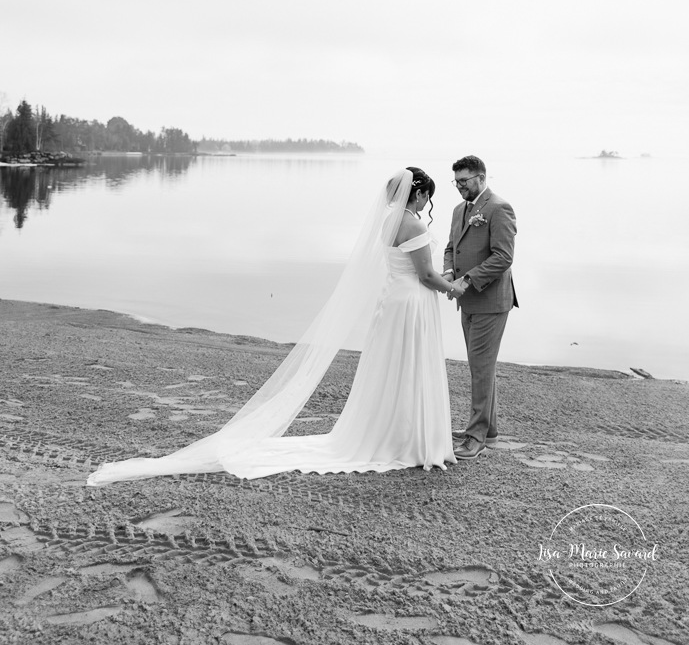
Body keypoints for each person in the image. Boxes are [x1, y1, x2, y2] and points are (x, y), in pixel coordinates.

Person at [87, 167, 466, 484]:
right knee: (409, 368)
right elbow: (427, 275)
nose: (424, 204)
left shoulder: (388, 222)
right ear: (417, 195)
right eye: (425, 197)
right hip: (411, 303)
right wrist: (455, 287)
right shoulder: (413, 227)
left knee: (391, 370)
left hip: (391, 302)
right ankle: (408, 438)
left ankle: (389, 433)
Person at [443, 155, 518, 461]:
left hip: (490, 301)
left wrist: (468, 280)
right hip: (466, 300)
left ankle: (476, 437)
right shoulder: (459, 209)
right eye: (456, 181)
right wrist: (449, 274)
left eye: (464, 181)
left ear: (481, 178)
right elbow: (451, 247)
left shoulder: (499, 209)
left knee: (480, 367)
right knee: (481, 366)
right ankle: (489, 429)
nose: (459, 186)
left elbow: (503, 257)